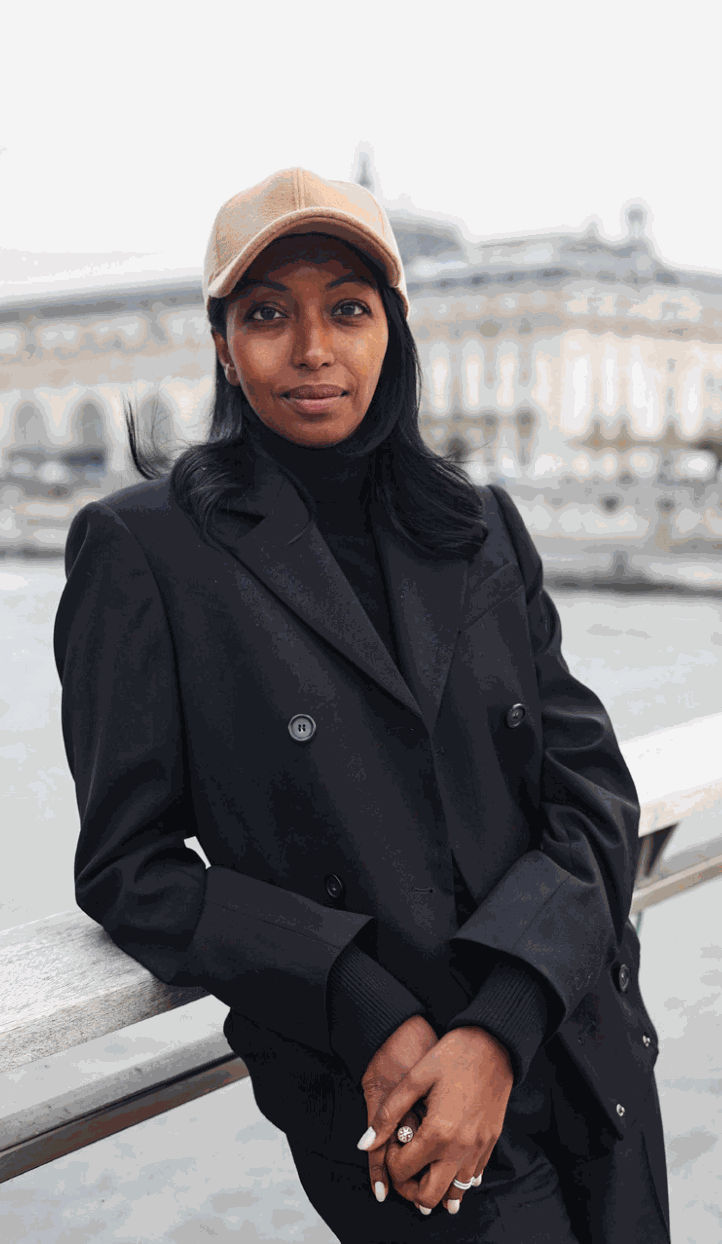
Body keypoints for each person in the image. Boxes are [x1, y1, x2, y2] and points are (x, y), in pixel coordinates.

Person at [53, 167, 671, 1242]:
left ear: (392, 328)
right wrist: (355, 998)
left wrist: (500, 1025)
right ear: (219, 344)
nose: (311, 349)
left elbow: (588, 794)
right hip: (387, 1095)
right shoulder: (145, 550)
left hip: (576, 1045)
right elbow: (128, 866)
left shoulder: (478, 526)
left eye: (346, 307)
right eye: (265, 314)